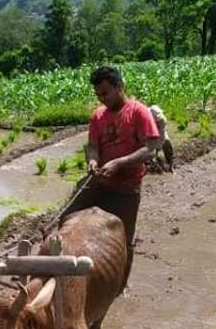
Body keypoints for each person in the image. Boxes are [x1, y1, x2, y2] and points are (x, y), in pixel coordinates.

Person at [62, 66, 163, 283]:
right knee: (67, 218)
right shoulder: (98, 116)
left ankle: (120, 283)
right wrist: (92, 160)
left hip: (126, 185)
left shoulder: (138, 111)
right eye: (98, 95)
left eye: (105, 93)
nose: (102, 98)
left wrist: (118, 163)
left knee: (123, 239)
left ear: (119, 87)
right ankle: (68, 271)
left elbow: (150, 148)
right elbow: (93, 145)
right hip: (99, 181)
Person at [149, 104, 175, 172]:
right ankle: (150, 162)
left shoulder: (162, 121)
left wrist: (158, 147)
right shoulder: (146, 119)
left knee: (167, 143)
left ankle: (170, 165)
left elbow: (162, 136)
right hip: (148, 133)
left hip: (160, 132)